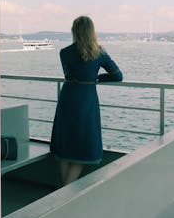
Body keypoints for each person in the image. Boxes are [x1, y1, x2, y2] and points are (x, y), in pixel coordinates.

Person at [50, 15, 123, 186]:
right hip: (86, 99)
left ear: (74, 31)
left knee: (65, 140)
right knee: (84, 141)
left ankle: (63, 189)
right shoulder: (100, 52)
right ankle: (66, 189)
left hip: (67, 97)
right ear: (92, 31)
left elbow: (70, 73)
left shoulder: (64, 53)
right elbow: (118, 76)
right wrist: (98, 78)